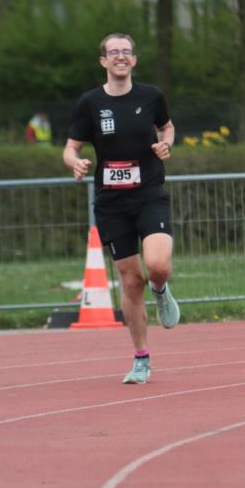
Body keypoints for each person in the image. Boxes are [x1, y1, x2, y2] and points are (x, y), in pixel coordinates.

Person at [63, 32, 179, 384]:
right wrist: (74, 162)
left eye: (126, 51)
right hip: (112, 203)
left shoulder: (151, 96)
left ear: (134, 59)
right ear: (103, 61)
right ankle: (141, 358)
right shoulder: (90, 103)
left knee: (157, 266)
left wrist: (166, 145)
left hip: (149, 194)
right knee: (131, 281)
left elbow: (167, 127)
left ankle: (161, 291)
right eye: (113, 52)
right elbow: (71, 147)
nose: (120, 56)